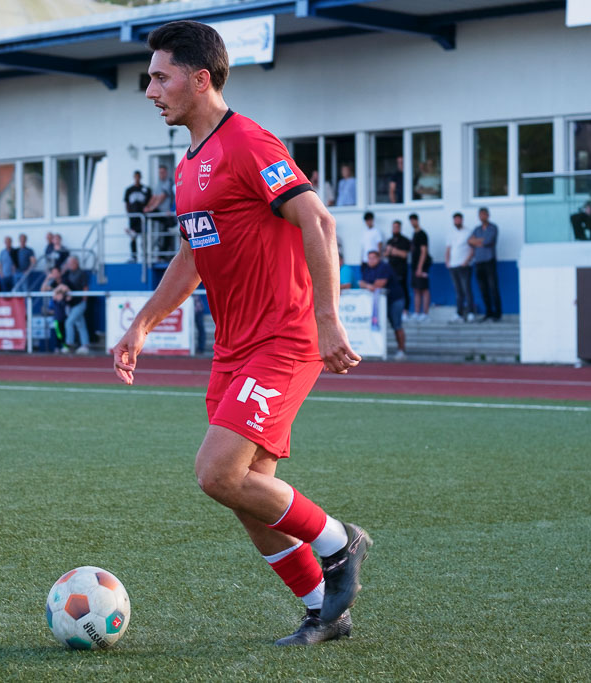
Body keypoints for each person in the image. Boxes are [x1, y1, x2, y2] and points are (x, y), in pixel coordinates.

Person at [112, 20, 370, 647]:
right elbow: (192, 259)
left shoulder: (249, 144)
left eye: (160, 77)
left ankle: (340, 543)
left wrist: (327, 319)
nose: (150, 90)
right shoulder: (190, 164)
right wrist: (141, 326)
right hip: (233, 348)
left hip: (283, 338)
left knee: (216, 473)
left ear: (200, 80)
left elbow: (318, 220)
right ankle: (323, 613)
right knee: (248, 493)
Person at [359, 250, 406, 359]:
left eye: (373, 258)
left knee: (397, 325)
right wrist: (367, 285)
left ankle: (401, 350)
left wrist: (366, 285)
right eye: (369, 258)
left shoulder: (384, 267)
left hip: (394, 300)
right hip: (379, 304)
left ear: (378, 258)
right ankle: (374, 350)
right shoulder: (367, 269)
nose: (370, 260)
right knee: (376, 325)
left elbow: (378, 285)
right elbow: (362, 284)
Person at [468, 207, 501, 322]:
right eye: (480, 215)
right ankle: (488, 312)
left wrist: (476, 241)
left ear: (488, 215)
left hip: (489, 261)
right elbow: (469, 241)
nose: (482, 217)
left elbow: (487, 241)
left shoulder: (493, 228)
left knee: (493, 287)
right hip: (478, 262)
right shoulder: (477, 229)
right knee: (483, 289)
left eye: (484, 214)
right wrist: (479, 241)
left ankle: (497, 313)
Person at [445, 212, 476, 322]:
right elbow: (448, 248)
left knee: (466, 289)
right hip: (453, 265)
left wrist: (466, 261)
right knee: (458, 291)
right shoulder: (450, 233)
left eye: (459, 219)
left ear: (462, 220)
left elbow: (473, 248)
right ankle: (459, 313)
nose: (457, 221)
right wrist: (447, 261)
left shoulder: (468, 232)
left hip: (464, 265)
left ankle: (471, 312)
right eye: (455, 219)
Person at [144, 164, 176, 258]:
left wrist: (152, 208)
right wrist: (147, 207)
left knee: (167, 231)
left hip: (167, 213)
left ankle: (164, 254)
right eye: (160, 172)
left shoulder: (169, 183)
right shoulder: (158, 184)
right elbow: (154, 197)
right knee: (164, 230)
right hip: (161, 213)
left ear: (166, 173)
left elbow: (162, 197)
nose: (161, 174)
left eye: (163, 172)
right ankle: (140, 229)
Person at [63, 255, 90, 354]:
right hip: (72, 303)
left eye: (71, 263)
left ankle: (69, 344)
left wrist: (84, 300)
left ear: (76, 263)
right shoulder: (68, 274)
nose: (70, 265)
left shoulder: (81, 273)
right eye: (68, 263)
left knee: (69, 322)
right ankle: (85, 345)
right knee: (81, 325)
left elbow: (85, 287)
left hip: (80, 303)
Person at [383, 219, 410, 314]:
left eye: (397, 227)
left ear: (400, 228)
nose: (395, 229)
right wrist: (389, 251)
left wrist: (393, 251)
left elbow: (405, 255)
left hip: (401, 270)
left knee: (403, 289)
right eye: (394, 227)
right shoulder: (390, 241)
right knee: (390, 290)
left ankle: (405, 311)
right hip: (391, 270)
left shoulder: (405, 240)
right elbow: (385, 254)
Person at [124, 170, 152, 262]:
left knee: (143, 238)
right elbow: (126, 203)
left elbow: (150, 201)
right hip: (133, 217)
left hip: (142, 218)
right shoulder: (129, 190)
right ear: (134, 177)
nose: (137, 178)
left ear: (140, 177)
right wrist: (129, 214)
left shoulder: (146, 189)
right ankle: (134, 256)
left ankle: (145, 256)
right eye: (135, 176)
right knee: (133, 237)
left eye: (138, 176)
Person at [409, 213, 431, 321]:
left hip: (421, 267)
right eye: (411, 221)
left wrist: (420, 267)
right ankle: (417, 312)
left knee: (424, 289)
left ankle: (425, 313)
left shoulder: (422, 234)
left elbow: (423, 252)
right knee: (416, 289)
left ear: (417, 220)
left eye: (414, 220)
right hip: (414, 266)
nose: (412, 223)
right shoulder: (414, 234)